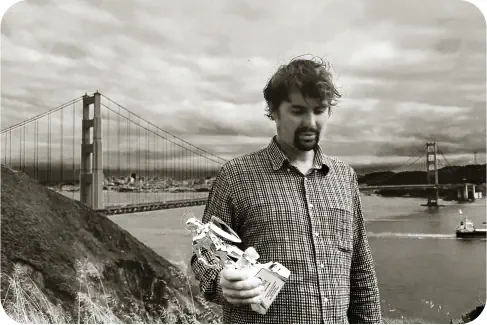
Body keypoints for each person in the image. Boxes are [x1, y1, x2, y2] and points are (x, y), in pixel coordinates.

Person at [190, 56, 382, 324]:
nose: (311, 122)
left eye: (319, 110)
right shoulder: (235, 176)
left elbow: (361, 272)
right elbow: (204, 257)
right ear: (274, 110)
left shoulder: (345, 177)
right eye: (297, 110)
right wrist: (221, 281)